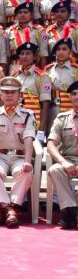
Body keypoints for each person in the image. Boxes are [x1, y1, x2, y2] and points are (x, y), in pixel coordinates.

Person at [0, 77, 36, 228]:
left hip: (19, 156)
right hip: (0, 155)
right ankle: (10, 210)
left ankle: (3, 209)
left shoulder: (28, 114)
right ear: (1, 95)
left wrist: (27, 160)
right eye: (6, 92)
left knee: (26, 172)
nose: (9, 95)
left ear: (20, 95)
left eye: (13, 92)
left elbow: (28, 138)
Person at [46, 80, 78, 228]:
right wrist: (63, 162)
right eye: (74, 94)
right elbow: (51, 144)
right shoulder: (62, 118)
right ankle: (73, 211)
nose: (77, 97)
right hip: (69, 162)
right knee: (54, 169)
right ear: (70, 98)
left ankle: (67, 213)